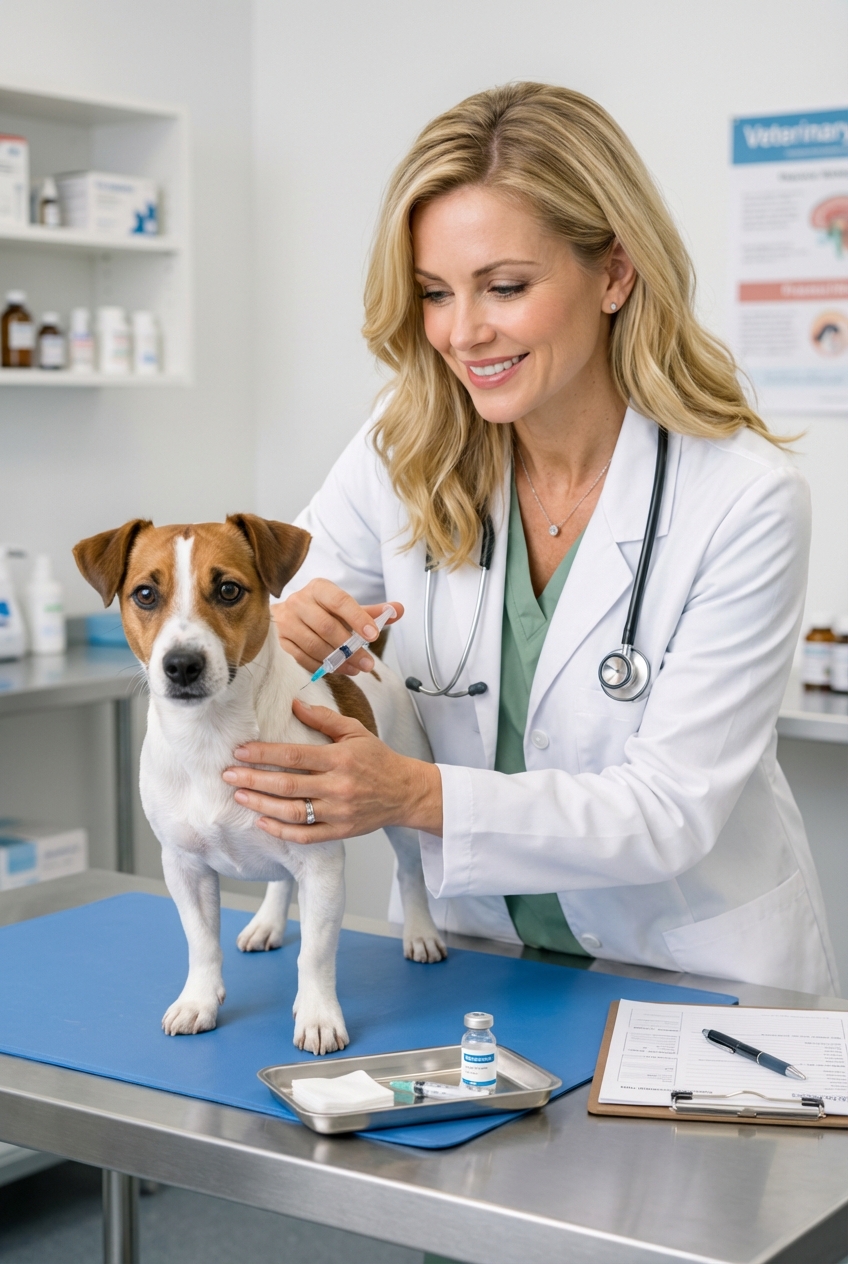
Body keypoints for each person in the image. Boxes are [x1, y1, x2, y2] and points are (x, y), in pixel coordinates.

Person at [223, 82, 837, 995]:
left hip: (688, 965)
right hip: (471, 953)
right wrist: (281, 623)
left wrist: (413, 795)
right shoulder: (406, 445)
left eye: (505, 287)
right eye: (436, 293)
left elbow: (669, 808)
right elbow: (266, 598)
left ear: (616, 273)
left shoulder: (743, 499)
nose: (464, 333)